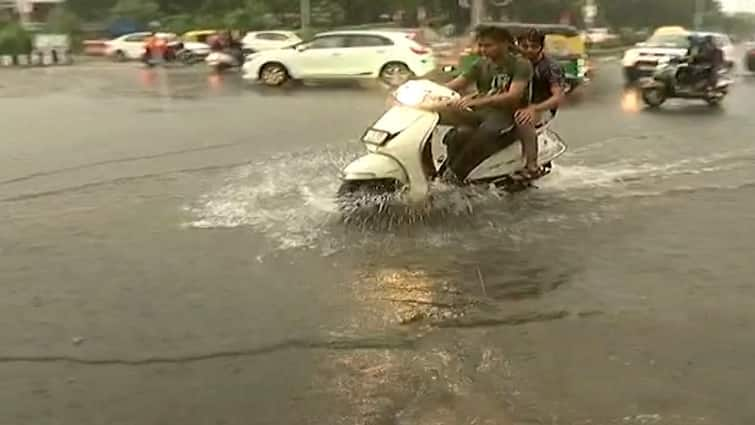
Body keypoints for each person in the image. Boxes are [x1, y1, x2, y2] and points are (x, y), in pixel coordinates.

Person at [442, 25, 533, 182]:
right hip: (481, 112)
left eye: (488, 45)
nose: (483, 49)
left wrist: (478, 101)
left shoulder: (520, 65)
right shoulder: (480, 64)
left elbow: (513, 95)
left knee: (484, 133)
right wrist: (424, 91)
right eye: (481, 45)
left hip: (507, 114)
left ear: (505, 44)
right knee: (452, 133)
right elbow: (456, 84)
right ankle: (444, 169)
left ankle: (457, 175)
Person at [514, 28, 566, 179]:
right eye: (524, 46)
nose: (529, 50)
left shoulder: (550, 67)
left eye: (534, 46)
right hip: (518, 104)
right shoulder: (515, 63)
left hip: (543, 107)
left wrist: (534, 108)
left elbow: (557, 97)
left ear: (541, 47)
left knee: (523, 120)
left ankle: (532, 164)